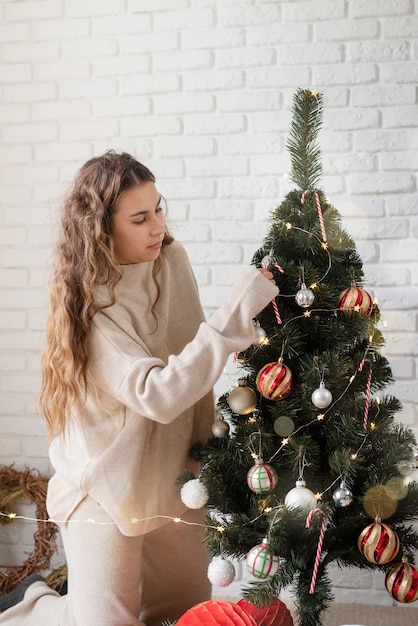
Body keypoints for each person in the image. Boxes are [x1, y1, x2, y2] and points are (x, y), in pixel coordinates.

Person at [0, 151, 278, 626]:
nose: (157, 227)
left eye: (159, 209)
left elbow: (190, 357)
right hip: (104, 487)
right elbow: (161, 394)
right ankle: (36, 605)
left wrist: (203, 463)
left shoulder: (171, 262)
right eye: (140, 217)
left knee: (180, 615)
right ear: (102, 229)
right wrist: (238, 311)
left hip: (174, 477)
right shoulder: (89, 310)